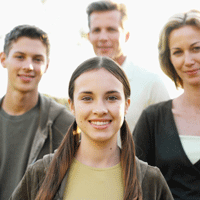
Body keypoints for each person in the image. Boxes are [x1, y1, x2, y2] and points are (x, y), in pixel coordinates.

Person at [10, 57, 173, 200]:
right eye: (87, 98)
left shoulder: (151, 181)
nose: (100, 109)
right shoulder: (41, 173)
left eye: (112, 98)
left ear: (126, 106)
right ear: (72, 106)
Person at [0, 25, 74, 200]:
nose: (29, 66)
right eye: (20, 57)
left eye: (37, 59)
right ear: (3, 59)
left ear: (46, 65)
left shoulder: (64, 124)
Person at [133, 10, 200, 200]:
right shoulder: (152, 119)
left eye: (196, 48)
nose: (188, 61)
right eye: (178, 52)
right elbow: (134, 184)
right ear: (169, 59)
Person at [86, 0, 170, 132]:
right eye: (96, 30)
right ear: (89, 36)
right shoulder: (81, 82)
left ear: (126, 35)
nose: (103, 37)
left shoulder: (151, 84)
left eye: (111, 29)